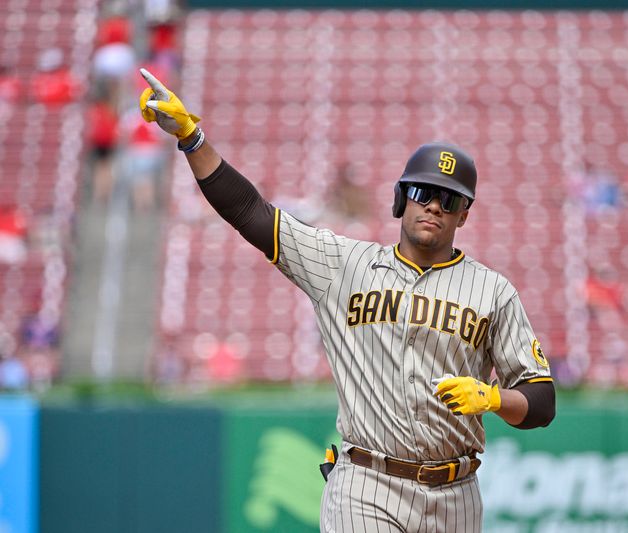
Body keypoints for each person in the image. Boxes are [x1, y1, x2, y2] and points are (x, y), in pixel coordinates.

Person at [138, 68, 555, 532]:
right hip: (367, 484)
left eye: (450, 200)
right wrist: (193, 140)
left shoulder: (493, 292)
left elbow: (541, 401)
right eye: (423, 192)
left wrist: (495, 398)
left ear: (464, 215)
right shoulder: (343, 264)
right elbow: (250, 213)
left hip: (457, 494)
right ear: (402, 199)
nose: (434, 206)